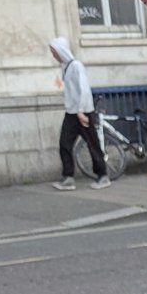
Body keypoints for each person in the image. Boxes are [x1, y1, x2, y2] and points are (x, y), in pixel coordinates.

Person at [49, 38, 109, 189]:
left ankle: (102, 175)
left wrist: (81, 111)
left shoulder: (76, 66)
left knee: (92, 143)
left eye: (54, 51)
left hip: (82, 112)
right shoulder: (66, 67)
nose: (53, 55)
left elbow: (84, 89)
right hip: (72, 112)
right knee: (65, 143)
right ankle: (68, 177)